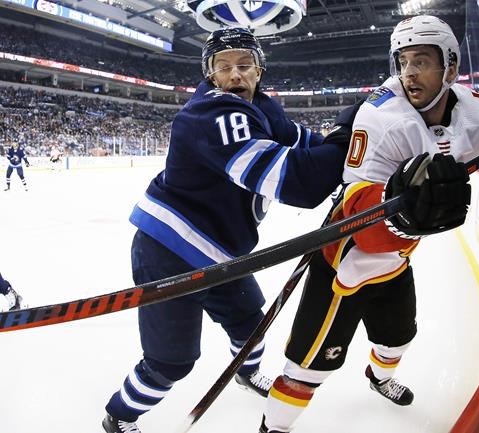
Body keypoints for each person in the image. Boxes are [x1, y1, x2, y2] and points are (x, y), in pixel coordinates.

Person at [260, 15, 479, 433]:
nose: (409, 72)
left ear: (451, 66)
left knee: (398, 339)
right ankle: (274, 426)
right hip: (344, 264)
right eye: (403, 61)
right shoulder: (380, 118)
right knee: (306, 369)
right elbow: (358, 210)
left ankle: (379, 378)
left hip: (397, 260)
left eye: (422, 61)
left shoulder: (476, 110)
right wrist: (399, 212)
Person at [100, 27, 361, 433]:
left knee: (250, 323)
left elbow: (308, 145)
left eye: (244, 64)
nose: (235, 74)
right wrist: (347, 142)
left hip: (221, 251)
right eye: (223, 67)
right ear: (210, 75)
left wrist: (352, 144)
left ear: (259, 70)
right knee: (171, 362)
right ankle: (119, 416)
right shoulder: (214, 115)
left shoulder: (264, 108)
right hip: (171, 252)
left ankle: (246, 373)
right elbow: (297, 182)